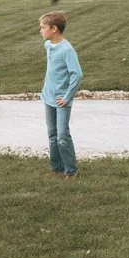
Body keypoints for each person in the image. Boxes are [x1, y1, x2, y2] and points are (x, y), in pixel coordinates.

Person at [39, 11, 83, 177]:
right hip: (48, 98)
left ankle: (71, 172)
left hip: (61, 101)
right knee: (52, 135)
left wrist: (67, 97)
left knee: (62, 136)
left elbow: (77, 74)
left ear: (54, 29)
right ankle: (56, 168)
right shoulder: (48, 46)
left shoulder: (67, 50)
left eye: (43, 27)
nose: (40, 31)